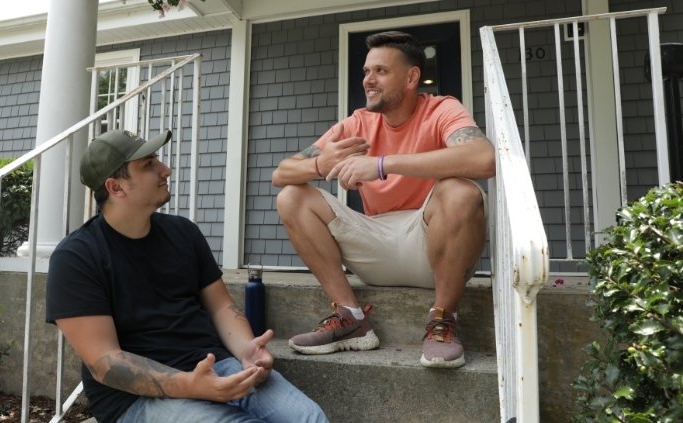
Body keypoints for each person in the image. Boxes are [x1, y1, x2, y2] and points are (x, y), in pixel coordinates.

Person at [46, 129, 329, 423]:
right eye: (148, 165)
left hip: (215, 367)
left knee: (310, 417)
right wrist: (190, 385)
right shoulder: (76, 258)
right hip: (138, 399)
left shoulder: (182, 232)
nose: (165, 170)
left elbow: (221, 306)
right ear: (116, 187)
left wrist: (247, 350)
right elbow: (104, 362)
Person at [271, 31, 495, 369]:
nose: (368, 80)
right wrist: (320, 164)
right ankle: (350, 319)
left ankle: (442, 321)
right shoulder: (358, 122)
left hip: (431, 245)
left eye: (380, 71)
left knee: (462, 191)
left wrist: (382, 164)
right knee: (292, 196)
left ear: (411, 77)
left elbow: (483, 158)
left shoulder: (441, 109)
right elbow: (281, 173)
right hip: (374, 244)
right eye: (365, 71)